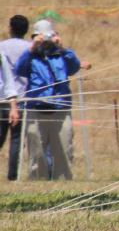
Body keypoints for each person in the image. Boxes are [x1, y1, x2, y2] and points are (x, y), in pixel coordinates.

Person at [13, 19, 81, 180]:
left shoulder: (62, 55)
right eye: (39, 37)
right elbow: (19, 69)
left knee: (64, 148)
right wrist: (31, 49)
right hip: (36, 108)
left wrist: (62, 48)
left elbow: (75, 67)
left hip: (60, 108)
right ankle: (38, 180)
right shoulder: (31, 57)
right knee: (37, 151)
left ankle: (62, 181)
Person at [1, 15, 29, 181]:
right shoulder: (31, 47)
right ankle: (13, 175)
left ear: (10, 28)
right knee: (17, 139)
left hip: (2, 98)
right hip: (22, 98)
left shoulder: (1, 47)